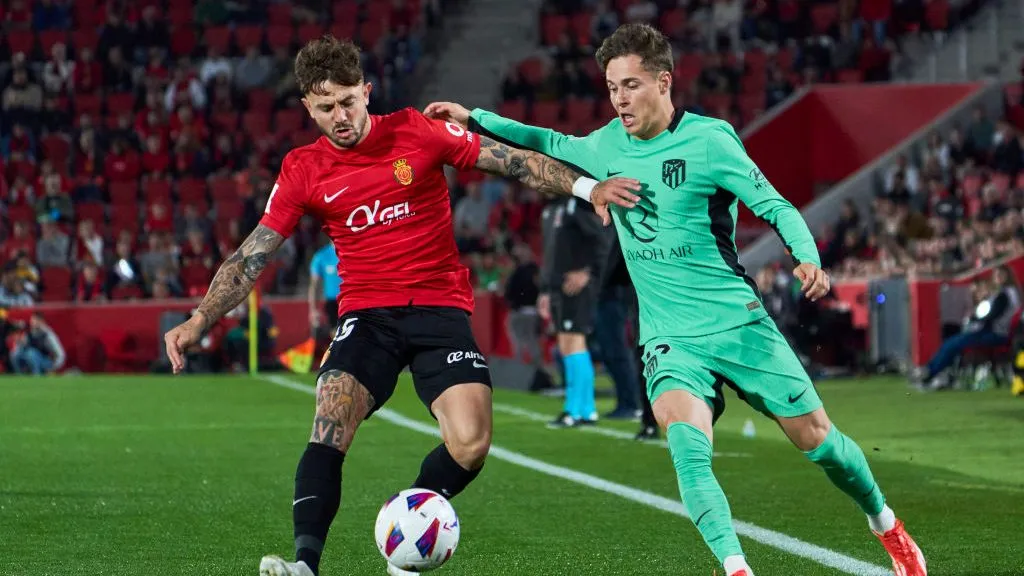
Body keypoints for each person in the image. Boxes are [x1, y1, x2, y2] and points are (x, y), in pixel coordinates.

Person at [424, 23, 926, 576]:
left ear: (664, 82)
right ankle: (736, 569)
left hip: (737, 323)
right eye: (612, 86)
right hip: (669, 337)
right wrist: (474, 118)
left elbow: (777, 205)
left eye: (631, 85)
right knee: (687, 450)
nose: (619, 99)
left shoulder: (711, 141)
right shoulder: (606, 144)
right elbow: (543, 140)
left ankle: (885, 523)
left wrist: (807, 257)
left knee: (820, 441)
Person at [162, 35, 640, 576]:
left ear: (367, 92)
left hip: (439, 309)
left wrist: (588, 189)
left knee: (472, 442)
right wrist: (201, 318)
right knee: (331, 418)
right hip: (368, 315)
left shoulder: (416, 130)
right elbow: (254, 252)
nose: (340, 116)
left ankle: (405, 529)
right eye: (325, 108)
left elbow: (513, 163)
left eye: (348, 101)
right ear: (307, 108)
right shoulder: (303, 168)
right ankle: (304, 564)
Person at [538, 195, 613, 427]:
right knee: (566, 344)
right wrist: (545, 290)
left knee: (574, 343)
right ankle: (583, 408)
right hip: (558, 287)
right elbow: (550, 255)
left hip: (575, 288)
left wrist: (588, 272)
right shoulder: (551, 210)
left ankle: (578, 409)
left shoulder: (576, 206)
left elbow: (603, 239)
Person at [308, 237, 341, 353]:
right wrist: (313, 310)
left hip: (351, 300)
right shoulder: (321, 256)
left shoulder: (350, 252)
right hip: (333, 302)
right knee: (336, 333)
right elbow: (314, 285)